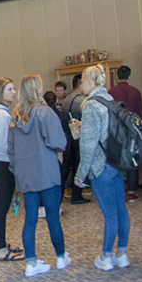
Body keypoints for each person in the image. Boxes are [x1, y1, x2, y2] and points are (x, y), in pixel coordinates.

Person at [8, 75, 69, 277]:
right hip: (47, 171)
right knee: (53, 218)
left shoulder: (16, 118)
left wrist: (17, 171)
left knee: (30, 220)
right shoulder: (45, 113)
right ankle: (61, 257)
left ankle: (31, 262)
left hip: (26, 174)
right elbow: (58, 143)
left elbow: (11, 150)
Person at [74, 65, 130, 271]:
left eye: (82, 80)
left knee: (109, 214)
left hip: (100, 166)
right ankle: (121, 254)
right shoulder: (110, 101)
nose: (81, 85)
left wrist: (81, 174)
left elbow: (88, 144)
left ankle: (106, 257)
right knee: (121, 210)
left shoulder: (90, 106)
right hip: (116, 163)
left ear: (91, 81)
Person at [0, 78, 22, 261]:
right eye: (10, 89)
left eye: (14, 89)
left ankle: (3, 243)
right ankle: (2, 249)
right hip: (4, 163)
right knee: (1, 207)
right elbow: (4, 144)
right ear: (1, 92)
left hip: (0, 162)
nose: (14, 92)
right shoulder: (2, 116)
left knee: (3, 206)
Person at [109, 66, 142, 201]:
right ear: (129, 76)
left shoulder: (111, 92)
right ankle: (132, 192)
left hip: (116, 131)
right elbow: (140, 114)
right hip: (132, 131)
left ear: (117, 77)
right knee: (132, 158)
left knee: (116, 158)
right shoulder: (136, 92)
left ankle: (116, 190)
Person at [61, 74, 88, 205]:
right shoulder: (82, 101)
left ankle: (65, 192)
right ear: (81, 85)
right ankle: (77, 195)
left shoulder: (66, 100)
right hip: (78, 139)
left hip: (66, 139)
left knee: (67, 168)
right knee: (78, 166)